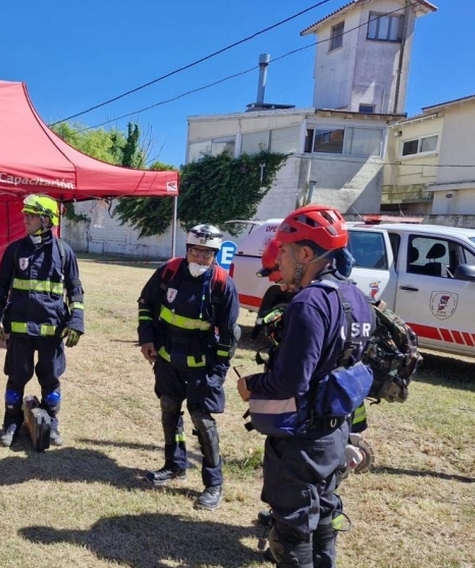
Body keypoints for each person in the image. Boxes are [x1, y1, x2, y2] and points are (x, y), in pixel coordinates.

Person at [237, 205, 375, 568]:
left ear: (306, 253)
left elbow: (290, 381)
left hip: (302, 441)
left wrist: (251, 385)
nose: (278, 258)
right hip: (335, 433)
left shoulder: (309, 303)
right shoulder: (357, 299)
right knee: (325, 512)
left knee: (292, 529)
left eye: (282, 250)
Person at [137, 223, 239, 511]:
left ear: (215, 255)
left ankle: (213, 483)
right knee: (169, 408)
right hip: (168, 360)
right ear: (187, 250)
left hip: (202, 367)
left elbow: (229, 337)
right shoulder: (168, 272)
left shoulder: (222, 285)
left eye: (207, 253)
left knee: (202, 421)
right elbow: (146, 304)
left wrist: (217, 376)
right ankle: (175, 465)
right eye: (195, 251)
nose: (200, 258)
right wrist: (147, 339)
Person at [0, 193, 84, 448]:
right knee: (17, 377)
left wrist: (76, 322)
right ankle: (12, 422)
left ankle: (51, 424)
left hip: (52, 330)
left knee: (50, 378)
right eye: (25, 214)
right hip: (19, 328)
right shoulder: (15, 250)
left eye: (30, 215)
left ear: (46, 219)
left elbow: (75, 291)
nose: (24, 218)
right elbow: (0, 288)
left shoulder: (64, 252)